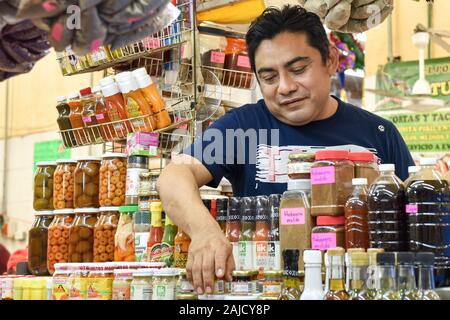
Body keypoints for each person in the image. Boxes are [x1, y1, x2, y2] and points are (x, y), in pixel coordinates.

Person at [157, 5, 414, 294]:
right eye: (269, 77)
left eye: (298, 69)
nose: (285, 87)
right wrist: (205, 231)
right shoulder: (244, 128)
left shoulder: (378, 134)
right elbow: (174, 176)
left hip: (358, 288)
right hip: (271, 290)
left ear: (331, 60)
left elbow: (413, 213)